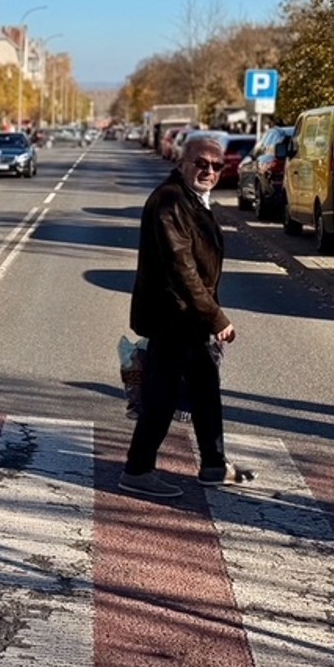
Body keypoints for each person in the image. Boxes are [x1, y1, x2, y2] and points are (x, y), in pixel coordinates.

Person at [118, 134, 252, 498]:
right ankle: (137, 470)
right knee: (162, 397)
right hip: (172, 317)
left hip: (186, 318)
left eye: (216, 165)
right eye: (201, 163)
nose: (209, 171)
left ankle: (213, 465)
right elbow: (182, 268)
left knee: (205, 390)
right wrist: (216, 318)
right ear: (182, 163)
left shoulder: (191, 199)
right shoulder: (170, 201)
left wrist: (207, 316)